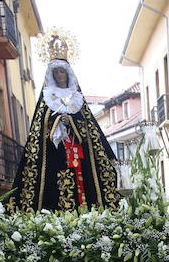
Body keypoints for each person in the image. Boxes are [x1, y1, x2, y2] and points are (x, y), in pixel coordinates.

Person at [8, 57, 120, 212]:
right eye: (56, 72)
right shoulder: (47, 97)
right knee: (53, 183)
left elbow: (88, 126)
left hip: (77, 150)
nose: (60, 75)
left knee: (83, 179)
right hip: (54, 153)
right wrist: (57, 121)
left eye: (62, 71)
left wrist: (71, 122)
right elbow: (40, 126)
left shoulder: (76, 97)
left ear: (68, 74)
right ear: (52, 75)